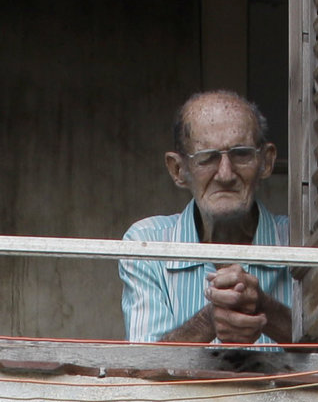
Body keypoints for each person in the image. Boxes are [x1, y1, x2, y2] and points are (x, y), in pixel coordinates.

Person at [121, 91, 297, 346]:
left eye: (241, 154)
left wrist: (264, 308)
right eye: (207, 158)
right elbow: (143, 366)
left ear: (266, 162)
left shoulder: (302, 241)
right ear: (178, 170)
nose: (225, 174)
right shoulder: (146, 244)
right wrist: (210, 321)